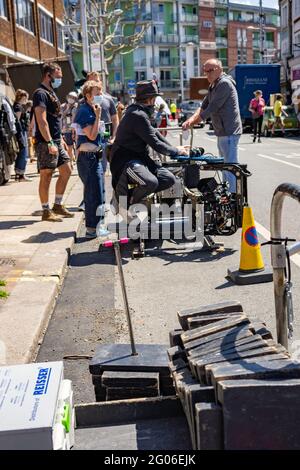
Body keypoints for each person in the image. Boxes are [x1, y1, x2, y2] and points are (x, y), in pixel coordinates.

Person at [110, 80, 188, 217]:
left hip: (140, 158)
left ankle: (137, 200)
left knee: (169, 179)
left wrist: (174, 148)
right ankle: (128, 203)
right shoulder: (137, 114)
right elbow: (155, 143)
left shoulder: (141, 113)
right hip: (125, 160)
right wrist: (176, 151)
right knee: (150, 182)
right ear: (151, 99)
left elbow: (155, 133)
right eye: (155, 99)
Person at [182, 59, 242, 193]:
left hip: (229, 130)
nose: (207, 74)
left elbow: (212, 108)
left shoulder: (224, 84)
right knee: (225, 165)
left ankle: (233, 195)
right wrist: (190, 120)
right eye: (205, 71)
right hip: (222, 131)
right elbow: (203, 106)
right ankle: (227, 193)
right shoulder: (214, 85)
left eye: (210, 70)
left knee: (230, 165)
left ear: (220, 69)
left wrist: (192, 122)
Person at [33, 62, 74, 222]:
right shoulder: (40, 93)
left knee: (67, 170)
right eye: (58, 76)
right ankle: (45, 210)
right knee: (47, 174)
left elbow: (55, 119)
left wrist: (61, 139)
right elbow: (42, 121)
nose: (60, 79)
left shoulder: (51, 92)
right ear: (48, 75)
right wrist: (50, 142)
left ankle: (57, 205)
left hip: (57, 139)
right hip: (46, 141)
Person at [73, 80, 110, 239]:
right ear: (88, 95)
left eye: (101, 92)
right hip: (87, 159)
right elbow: (92, 135)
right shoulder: (85, 111)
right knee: (92, 194)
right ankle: (91, 229)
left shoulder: (91, 109)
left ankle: (98, 226)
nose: (100, 96)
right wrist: (98, 116)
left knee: (99, 193)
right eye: (97, 93)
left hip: (94, 156)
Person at [13, 89, 31, 182]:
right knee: (23, 152)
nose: (27, 99)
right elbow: (17, 121)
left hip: (21, 131)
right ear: (22, 97)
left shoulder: (17, 106)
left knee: (22, 152)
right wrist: (20, 134)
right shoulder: (18, 107)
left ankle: (19, 174)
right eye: (26, 97)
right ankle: (21, 174)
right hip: (20, 132)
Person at [61, 91, 78, 164]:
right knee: (69, 147)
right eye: (70, 97)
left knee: (78, 147)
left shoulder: (77, 106)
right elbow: (61, 116)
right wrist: (67, 108)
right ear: (67, 97)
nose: (71, 99)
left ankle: (77, 161)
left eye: (73, 97)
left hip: (77, 130)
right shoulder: (63, 106)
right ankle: (70, 163)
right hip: (67, 129)